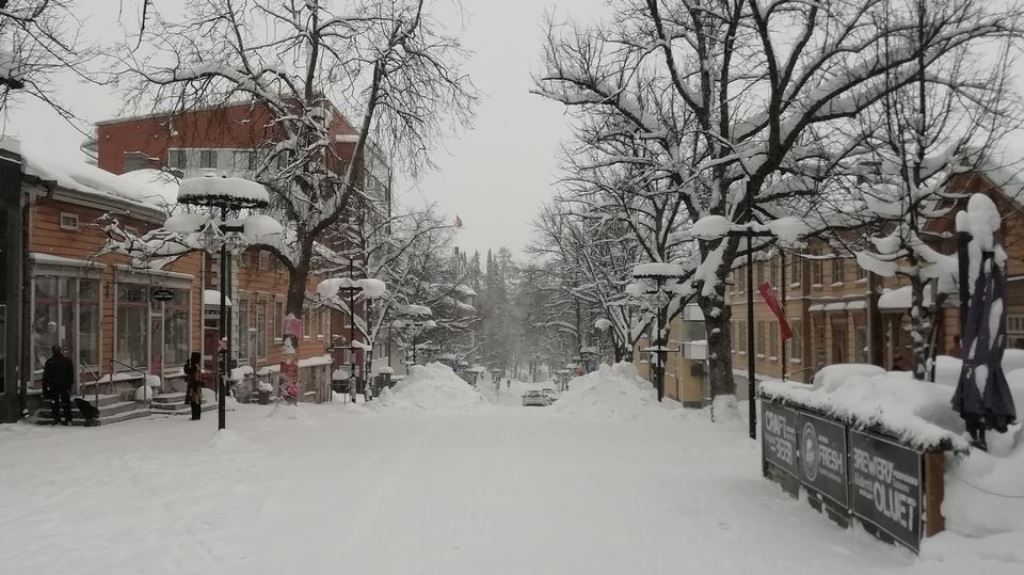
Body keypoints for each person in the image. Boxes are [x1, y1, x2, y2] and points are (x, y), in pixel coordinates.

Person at [42, 345, 74, 425]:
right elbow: (70, 375)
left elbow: (45, 376)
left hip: (54, 386)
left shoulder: (50, 362)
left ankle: (56, 418)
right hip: (64, 386)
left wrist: (45, 389)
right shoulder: (66, 361)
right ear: (60, 351)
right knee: (66, 403)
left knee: (54, 403)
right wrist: (69, 385)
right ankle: (68, 418)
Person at [184, 352, 203, 421]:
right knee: (197, 402)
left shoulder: (194, 366)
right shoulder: (197, 365)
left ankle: (195, 416)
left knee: (194, 402)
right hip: (197, 386)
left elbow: (187, 371)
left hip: (194, 386)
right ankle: (197, 415)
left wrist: (186, 364)